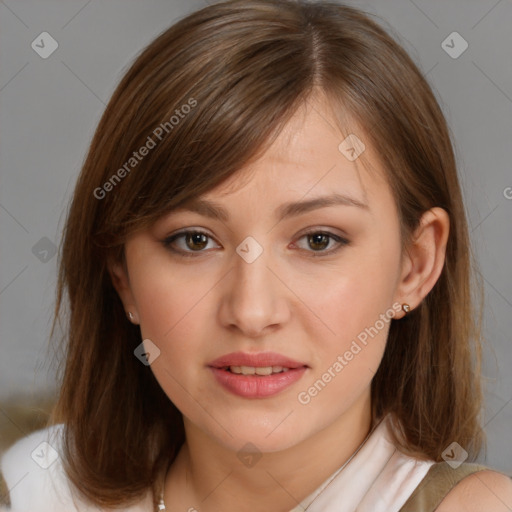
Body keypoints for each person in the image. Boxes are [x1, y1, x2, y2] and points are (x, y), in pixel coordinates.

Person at [1, 1, 511, 511]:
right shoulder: (29, 490)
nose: (251, 311)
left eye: (318, 240)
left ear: (415, 265)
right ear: (123, 274)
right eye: (194, 240)